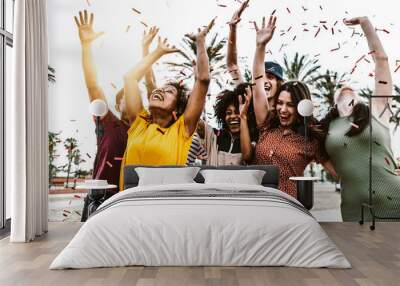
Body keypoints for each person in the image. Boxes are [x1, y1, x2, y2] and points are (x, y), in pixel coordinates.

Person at [321, 17, 400, 221]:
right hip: (355, 212)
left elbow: (381, 60)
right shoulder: (327, 128)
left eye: (351, 90)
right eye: (341, 91)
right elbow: (318, 156)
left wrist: (365, 24)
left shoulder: (378, 110)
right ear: (334, 102)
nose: (346, 90)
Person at [119, 20, 213, 191]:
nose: (160, 91)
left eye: (169, 91)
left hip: (165, 206)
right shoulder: (138, 124)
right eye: (159, 89)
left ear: (177, 109)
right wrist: (156, 52)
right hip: (130, 207)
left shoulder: (181, 131)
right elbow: (130, 78)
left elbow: (203, 80)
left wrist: (200, 42)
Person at [250, 15, 338, 198]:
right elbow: (258, 85)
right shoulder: (266, 124)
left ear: (301, 107)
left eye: (290, 105)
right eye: (280, 103)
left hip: (289, 205)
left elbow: (339, 174)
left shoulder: (310, 140)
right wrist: (260, 47)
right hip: (258, 201)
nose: (282, 109)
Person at [74, 10, 131, 221]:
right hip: (101, 199)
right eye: (127, 96)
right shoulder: (109, 123)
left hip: (130, 198)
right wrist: (86, 46)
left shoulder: (146, 129)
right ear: (117, 104)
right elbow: (93, 84)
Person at [227, 0, 283, 109]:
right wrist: (232, 29)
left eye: (270, 77)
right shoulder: (248, 103)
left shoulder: (285, 115)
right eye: (262, 76)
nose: (265, 81)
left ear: (279, 84)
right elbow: (232, 65)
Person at [199, 83, 257, 165]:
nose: (232, 116)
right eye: (228, 113)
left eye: (237, 112)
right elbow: (195, 122)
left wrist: (243, 116)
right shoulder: (215, 136)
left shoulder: (253, 138)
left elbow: (247, 156)